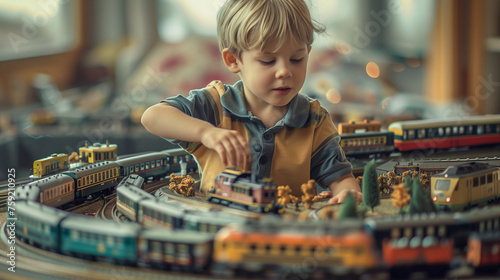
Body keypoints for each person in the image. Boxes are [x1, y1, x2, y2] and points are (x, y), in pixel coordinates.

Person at [141, 0, 362, 203]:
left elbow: (340, 177)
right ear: (234, 60)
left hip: (289, 232)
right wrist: (205, 132)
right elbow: (152, 116)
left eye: (297, 59)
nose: (285, 71)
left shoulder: (314, 119)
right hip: (219, 228)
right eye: (268, 61)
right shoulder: (215, 106)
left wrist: (348, 193)